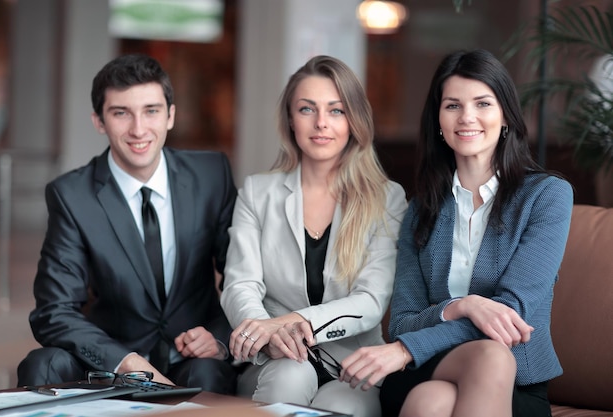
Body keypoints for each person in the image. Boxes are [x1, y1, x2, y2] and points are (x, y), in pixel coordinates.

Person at [339, 49, 574, 417]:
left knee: (440, 395)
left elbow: (511, 318)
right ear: (438, 120)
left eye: (482, 103)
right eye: (452, 106)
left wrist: (404, 349)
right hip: (430, 363)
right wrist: (463, 305)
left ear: (506, 116)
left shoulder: (546, 197)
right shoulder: (421, 209)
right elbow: (403, 320)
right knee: (452, 378)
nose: (467, 117)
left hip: (513, 379)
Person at [17, 53, 238, 394]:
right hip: (114, 359)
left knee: (208, 375)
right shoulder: (72, 195)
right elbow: (53, 310)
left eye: (151, 111)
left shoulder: (211, 175)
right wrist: (125, 362)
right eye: (121, 113)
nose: (138, 129)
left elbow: (245, 275)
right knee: (42, 363)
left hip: (193, 358)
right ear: (99, 121)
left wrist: (220, 339)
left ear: (170, 116)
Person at [220, 55, 407, 417]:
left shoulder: (387, 198)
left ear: (354, 119)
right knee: (289, 377)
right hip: (272, 361)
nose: (321, 123)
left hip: (352, 365)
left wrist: (295, 323)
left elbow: (370, 301)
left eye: (336, 111)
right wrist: (268, 337)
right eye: (307, 109)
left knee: (342, 406)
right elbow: (239, 285)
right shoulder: (258, 192)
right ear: (290, 119)